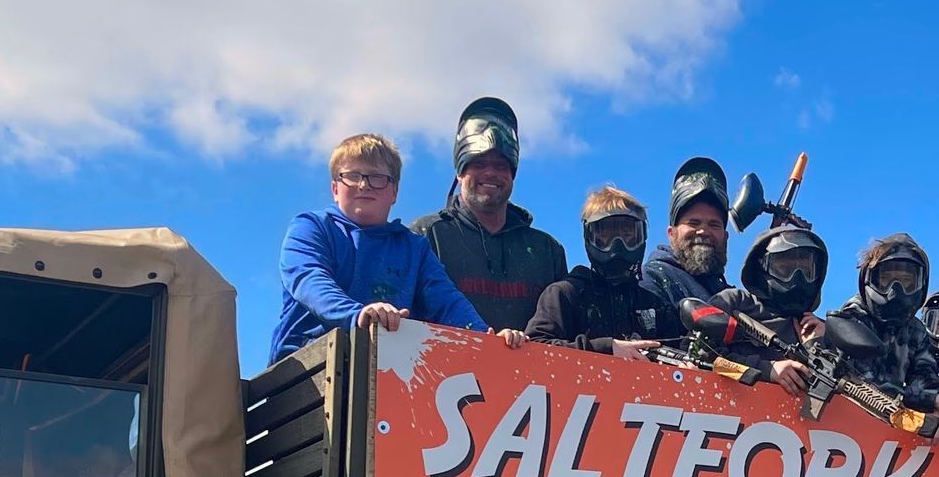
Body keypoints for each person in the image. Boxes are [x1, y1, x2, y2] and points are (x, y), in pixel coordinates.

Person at [269, 133, 526, 363]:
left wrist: (487, 339)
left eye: (377, 178)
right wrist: (358, 314)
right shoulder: (311, 228)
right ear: (335, 188)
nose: (364, 185)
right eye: (352, 176)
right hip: (307, 372)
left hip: (384, 371)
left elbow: (446, 301)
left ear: (394, 192)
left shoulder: (414, 248)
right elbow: (309, 280)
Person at [411, 97, 568, 332]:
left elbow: (561, 332)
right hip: (439, 367)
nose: (490, 173)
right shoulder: (425, 235)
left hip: (529, 369)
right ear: (460, 173)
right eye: (479, 163)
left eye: (501, 166)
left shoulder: (546, 250)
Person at [824, 234, 939, 439]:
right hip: (839, 428)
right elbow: (862, 385)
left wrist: (935, 403)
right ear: (868, 280)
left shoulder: (916, 331)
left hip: (885, 439)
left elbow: (924, 381)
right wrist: (934, 400)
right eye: (886, 280)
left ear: (921, 284)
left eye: (907, 281)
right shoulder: (853, 318)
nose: (896, 290)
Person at [525, 186, 672, 357]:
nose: (617, 245)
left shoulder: (654, 305)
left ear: (642, 236)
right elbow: (534, 348)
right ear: (589, 237)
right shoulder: (566, 294)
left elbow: (679, 358)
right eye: (606, 236)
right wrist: (607, 348)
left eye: (627, 235)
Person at [708, 223, 829, 398]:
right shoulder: (734, 302)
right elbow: (699, 356)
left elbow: (837, 396)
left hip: (788, 424)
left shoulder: (816, 329)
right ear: (761, 267)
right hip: (724, 416)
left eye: (805, 270)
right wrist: (767, 370)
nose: (796, 278)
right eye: (784, 268)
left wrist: (817, 347)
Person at [642, 157, 731, 310]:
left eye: (714, 224)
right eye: (693, 223)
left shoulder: (731, 296)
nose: (703, 231)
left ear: (725, 236)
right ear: (671, 234)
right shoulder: (651, 280)